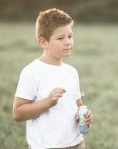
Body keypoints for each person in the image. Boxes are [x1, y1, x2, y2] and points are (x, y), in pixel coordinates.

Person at [12, 8, 93, 149]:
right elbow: (18, 113)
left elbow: (78, 105)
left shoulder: (71, 72)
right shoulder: (32, 72)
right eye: (61, 38)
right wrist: (47, 102)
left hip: (76, 144)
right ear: (43, 42)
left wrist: (85, 116)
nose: (68, 42)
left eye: (70, 36)